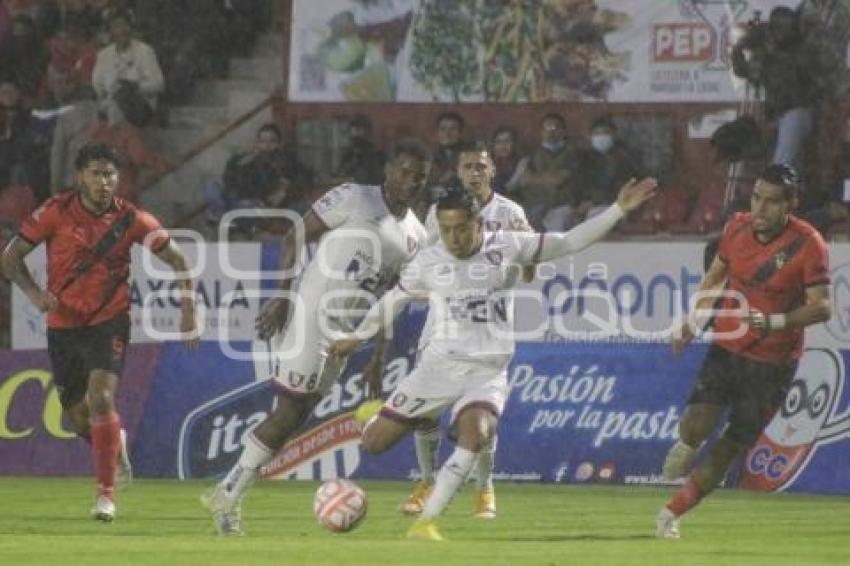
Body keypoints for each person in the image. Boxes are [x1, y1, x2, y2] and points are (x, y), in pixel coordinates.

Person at [329, 178, 657, 540]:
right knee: (374, 444)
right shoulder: (428, 261)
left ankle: (426, 523)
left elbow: (570, 241)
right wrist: (355, 336)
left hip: (487, 370)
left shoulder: (510, 246)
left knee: (477, 431)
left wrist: (618, 210)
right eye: (446, 229)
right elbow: (393, 301)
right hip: (437, 368)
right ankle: (374, 415)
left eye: (461, 228)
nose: (453, 238)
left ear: (479, 223)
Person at [201, 139, 433, 536]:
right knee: (289, 411)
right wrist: (283, 295)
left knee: (296, 415)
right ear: (390, 169)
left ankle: (228, 490)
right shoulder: (354, 197)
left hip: (347, 334)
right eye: (405, 171)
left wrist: (378, 356)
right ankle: (227, 494)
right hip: (311, 315)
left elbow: (390, 297)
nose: (411, 181)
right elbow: (295, 235)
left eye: (419, 176)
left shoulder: (416, 236)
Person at [0, 142, 199, 521]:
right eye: (95, 173)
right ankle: (114, 443)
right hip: (63, 326)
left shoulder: (132, 219)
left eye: (110, 174)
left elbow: (179, 260)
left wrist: (189, 311)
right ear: (80, 176)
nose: (104, 182)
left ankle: (105, 496)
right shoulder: (54, 212)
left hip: (110, 320)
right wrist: (33, 293)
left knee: (102, 398)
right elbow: (9, 259)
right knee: (77, 417)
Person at [657, 163, 832, 539]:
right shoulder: (735, 228)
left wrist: (775, 323)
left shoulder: (808, 244)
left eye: (771, 202)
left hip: (774, 364)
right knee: (696, 426)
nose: (760, 209)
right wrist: (693, 319)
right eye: (756, 198)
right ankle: (687, 442)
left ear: (791, 205)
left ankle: (673, 513)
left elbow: (823, 307)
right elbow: (714, 277)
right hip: (727, 347)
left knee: (731, 445)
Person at [397, 145, 532, 519]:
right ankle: (426, 481)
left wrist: (524, 247)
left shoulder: (510, 213)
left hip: (487, 330)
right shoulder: (437, 213)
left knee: (480, 415)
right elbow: (424, 263)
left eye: (481, 166)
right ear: (457, 171)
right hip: (440, 327)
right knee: (424, 414)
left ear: (493, 171)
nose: (475, 172)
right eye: (468, 166)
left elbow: (531, 271)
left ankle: (484, 489)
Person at [91, 11, 164, 128]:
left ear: (130, 28)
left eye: (125, 25)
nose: (122, 30)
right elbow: (97, 85)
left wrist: (137, 87)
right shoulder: (103, 55)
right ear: (110, 32)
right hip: (111, 102)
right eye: (116, 27)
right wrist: (112, 87)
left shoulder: (145, 51)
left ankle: (116, 134)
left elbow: (159, 83)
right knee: (111, 103)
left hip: (139, 105)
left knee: (123, 94)